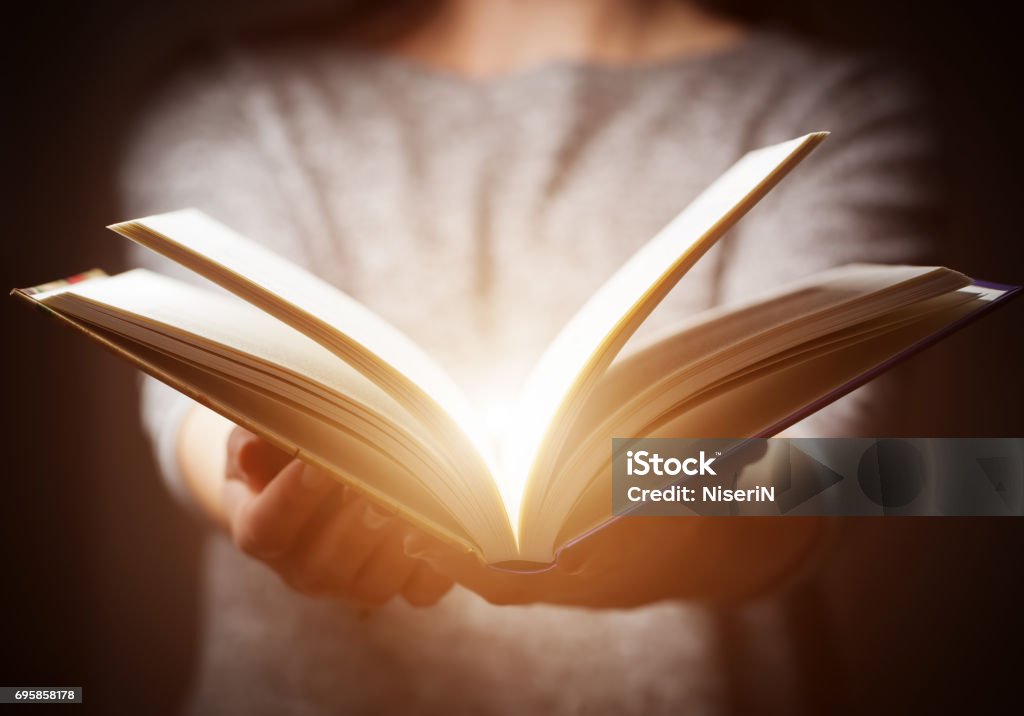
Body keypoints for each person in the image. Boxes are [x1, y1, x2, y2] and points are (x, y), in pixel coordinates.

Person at [120, 0, 941, 711]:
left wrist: (618, 515)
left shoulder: (830, 108)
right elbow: (200, 390)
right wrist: (249, 482)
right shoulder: (239, 100)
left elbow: (817, 477)